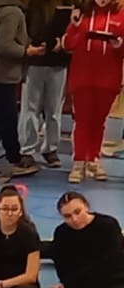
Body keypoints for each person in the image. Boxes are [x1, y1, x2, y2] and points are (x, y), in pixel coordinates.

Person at [13, 190, 124, 288]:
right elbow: (63, 266)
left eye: (78, 212)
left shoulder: (108, 225)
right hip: (84, 287)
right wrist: (67, 285)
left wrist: (72, 283)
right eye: (67, 216)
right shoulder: (62, 233)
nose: (75, 219)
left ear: (86, 206)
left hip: (114, 281)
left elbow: (111, 262)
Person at [61, 0, 124, 182]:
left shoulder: (121, 15)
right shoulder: (82, 13)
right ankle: (79, 161)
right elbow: (68, 44)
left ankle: (94, 159)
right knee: (82, 120)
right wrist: (75, 26)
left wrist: (119, 45)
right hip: (82, 77)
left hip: (108, 78)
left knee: (99, 121)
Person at [0, 0, 41, 180]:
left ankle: (14, 157)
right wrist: (27, 51)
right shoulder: (13, 12)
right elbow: (4, 46)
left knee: (8, 117)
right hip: (3, 73)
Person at [19, 0, 69, 168]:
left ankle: (50, 149)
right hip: (36, 62)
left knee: (54, 110)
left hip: (59, 62)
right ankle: (27, 149)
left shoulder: (69, 5)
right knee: (30, 108)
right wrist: (37, 45)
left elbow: (73, 31)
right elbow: (25, 31)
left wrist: (63, 42)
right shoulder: (32, 5)